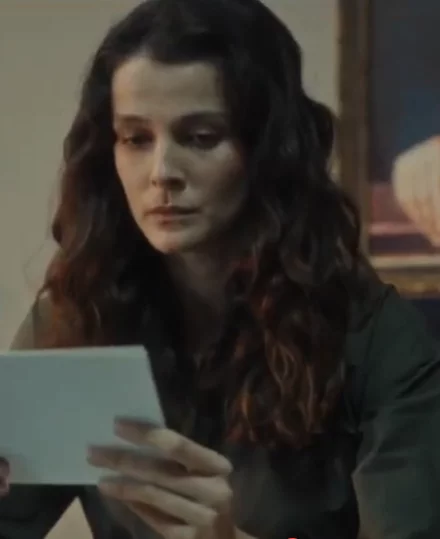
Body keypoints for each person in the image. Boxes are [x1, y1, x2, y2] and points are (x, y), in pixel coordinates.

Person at [2, 0, 440, 537]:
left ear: (268, 150)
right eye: (136, 139)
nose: (162, 172)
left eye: (201, 137)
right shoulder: (76, 316)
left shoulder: (377, 339)